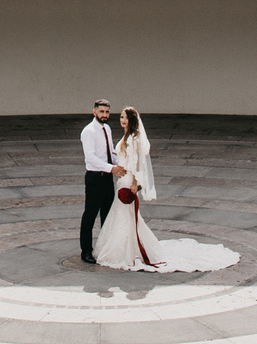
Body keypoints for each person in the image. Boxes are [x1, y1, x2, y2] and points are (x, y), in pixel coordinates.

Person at [93, 107, 238, 274]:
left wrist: (134, 183)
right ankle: (125, 247)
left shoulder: (134, 139)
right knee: (124, 216)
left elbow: (137, 163)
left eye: (126, 118)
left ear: (133, 120)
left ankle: (130, 251)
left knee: (127, 215)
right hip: (121, 179)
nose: (122, 120)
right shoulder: (126, 137)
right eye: (121, 117)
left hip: (127, 181)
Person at [78, 98, 117, 265]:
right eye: (101, 111)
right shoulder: (89, 131)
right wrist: (111, 168)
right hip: (95, 178)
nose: (104, 115)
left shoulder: (107, 128)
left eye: (107, 112)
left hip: (108, 178)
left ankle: (103, 248)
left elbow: (111, 152)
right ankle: (86, 250)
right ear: (94, 112)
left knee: (107, 215)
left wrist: (121, 165)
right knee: (90, 215)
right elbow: (91, 158)